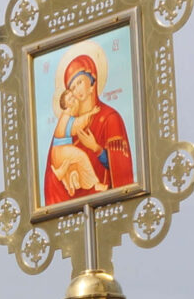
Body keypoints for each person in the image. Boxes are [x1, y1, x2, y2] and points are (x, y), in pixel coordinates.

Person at [43, 52, 135, 204]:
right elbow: (51, 178)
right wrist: (65, 174)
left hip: (106, 206)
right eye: (71, 88)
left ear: (92, 82)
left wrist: (96, 149)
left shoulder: (110, 118)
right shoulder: (66, 125)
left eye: (79, 82)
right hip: (73, 210)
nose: (76, 90)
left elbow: (121, 171)